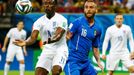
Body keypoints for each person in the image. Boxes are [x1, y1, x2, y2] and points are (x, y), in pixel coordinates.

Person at [13, 0, 68, 75]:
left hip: (60, 50)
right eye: (45, 3)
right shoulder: (38, 22)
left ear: (55, 6)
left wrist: (50, 40)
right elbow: (33, 37)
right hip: (47, 51)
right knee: (39, 73)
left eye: (50, 3)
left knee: (56, 71)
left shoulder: (62, 19)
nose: (47, 5)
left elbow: (58, 35)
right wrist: (25, 42)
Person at [64, 0, 104, 75]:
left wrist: (98, 61)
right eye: (86, 7)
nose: (88, 9)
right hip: (72, 61)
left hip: (85, 62)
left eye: (91, 7)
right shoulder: (77, 22)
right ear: (84, 10)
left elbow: (95, 48)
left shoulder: (98, 28)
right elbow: (66, 38)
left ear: (96, 10)